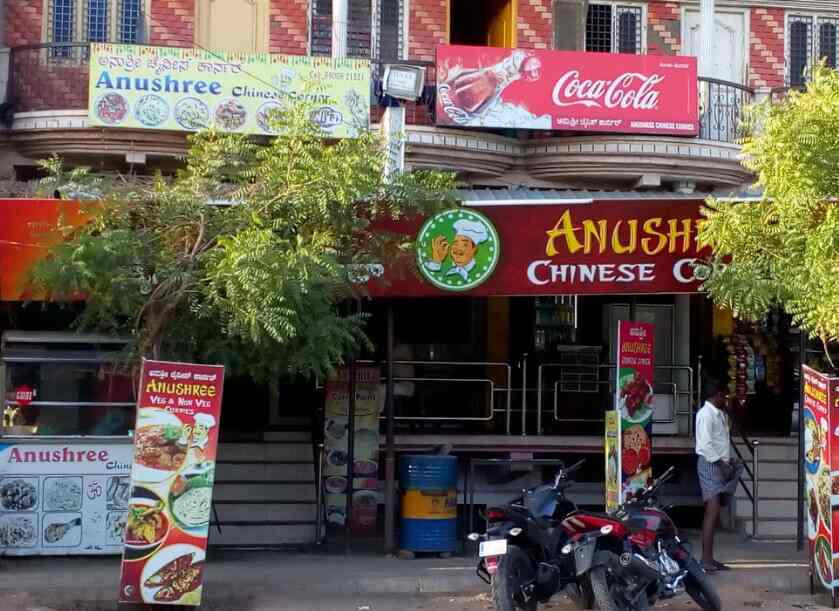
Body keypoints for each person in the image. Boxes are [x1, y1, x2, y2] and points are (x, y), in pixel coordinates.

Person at [696, 380, 742, 573]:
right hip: (710, 464)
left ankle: (710, 558)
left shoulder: (719, 414)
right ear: (717, 395)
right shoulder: (705, 415)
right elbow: (705, 445)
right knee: (712, 511)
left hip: (719, 463)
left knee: (715, 512)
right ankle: (705, 560)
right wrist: (721, 464)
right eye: (725, 396)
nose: (726, 399)